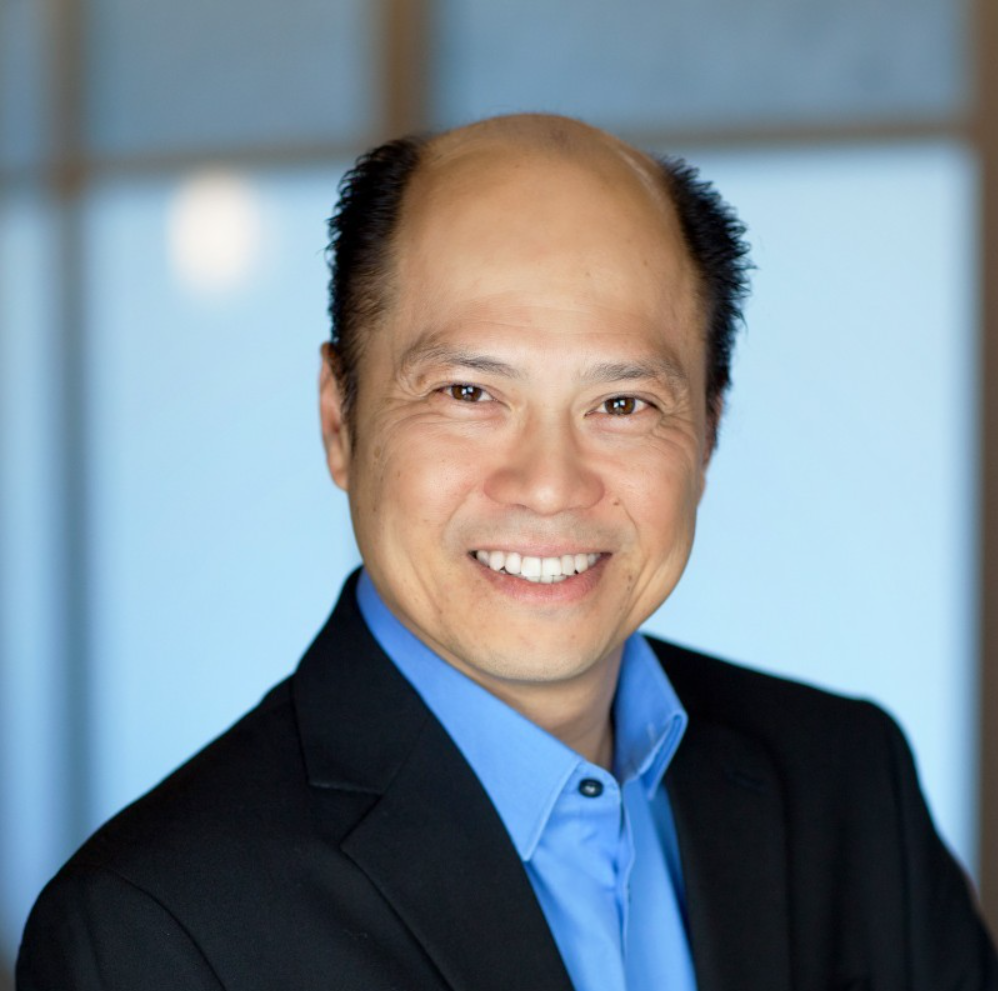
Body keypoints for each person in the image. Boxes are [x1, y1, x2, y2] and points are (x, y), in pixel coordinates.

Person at [17, 114, 998, 990]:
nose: (548, 484)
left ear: (707, 430)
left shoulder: (844, 779)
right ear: (338, 420)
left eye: (622, 403)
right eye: (468, 393)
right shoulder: (151, 927)